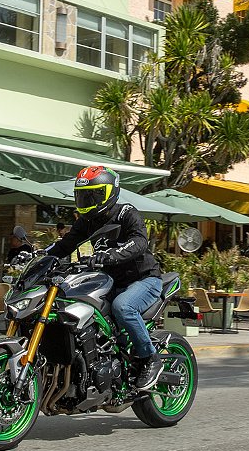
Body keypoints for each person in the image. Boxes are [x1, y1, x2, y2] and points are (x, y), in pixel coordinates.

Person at [45, 166, 164, 390]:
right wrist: (41, 256)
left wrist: (110, 255)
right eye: (83, 195)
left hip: (144, 280)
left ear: (108, 193)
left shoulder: (126, 213)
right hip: (111, 283)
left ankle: (150, 358)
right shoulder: (86, 221)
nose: (87, 200)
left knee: (123, 307)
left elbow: (139, 242)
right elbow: (65, 244)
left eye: (92, 195)